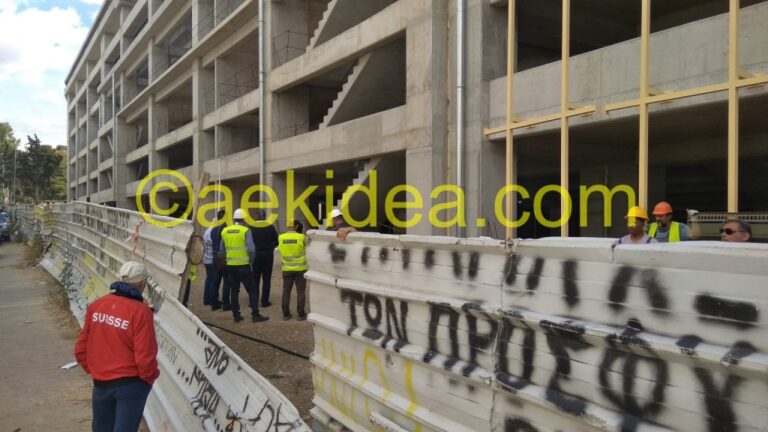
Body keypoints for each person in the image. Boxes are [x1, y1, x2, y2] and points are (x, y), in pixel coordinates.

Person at [75, 261, 159, 432]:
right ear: (142, 284)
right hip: (130, 384)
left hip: (101, 384)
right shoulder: (141, 312)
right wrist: (149, 378)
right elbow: (145, 356)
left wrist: (96, 371)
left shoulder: (97, 305)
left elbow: (80, 349)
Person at [219, 208, 268, 323]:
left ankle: (236, 316)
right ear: (244, 219)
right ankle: (255, 315)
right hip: (244, 266)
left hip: (231, 266)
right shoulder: (245, 230)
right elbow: (251, 249)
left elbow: (221, 250)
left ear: (234, 218)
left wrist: (227, 260)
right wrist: (251, 261)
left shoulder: (225, 231)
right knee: (252, 290)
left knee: (234, 291)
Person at [278, 220, 308, 321]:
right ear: (296, 226)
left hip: (287, 269)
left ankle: (286, 314)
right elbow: (309, 245)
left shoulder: (281, 237)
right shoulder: (301, 237)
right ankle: (301, 314)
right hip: (300, 269)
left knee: (286, 291)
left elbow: (280, 250)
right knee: (300, 291)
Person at [250, 210, 279, 308]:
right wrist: (271, 247)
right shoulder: (270, 227)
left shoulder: (252, 227)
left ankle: (254, 300)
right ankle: (265, 301)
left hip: (256, 255)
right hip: (268, 255)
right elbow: (277, 242)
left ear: (256, 217)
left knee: (255, 279)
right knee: (266, 279)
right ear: (265, 217)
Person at [210, 209, 229, 310]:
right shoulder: (226, 229)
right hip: (223, 257)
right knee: (226, 281)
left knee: (215, 281)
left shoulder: (213, 229)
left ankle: (214, 303)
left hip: (215, 256)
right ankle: (226, 303)